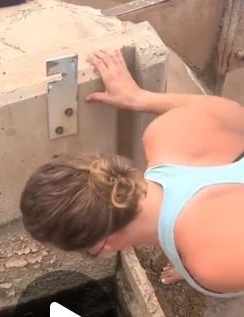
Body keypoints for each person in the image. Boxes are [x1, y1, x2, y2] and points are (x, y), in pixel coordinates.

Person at [20, 50, 244, 298]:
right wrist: (141, 98)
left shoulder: (212, 264)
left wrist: (201, 261)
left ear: (101, 248)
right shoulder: (166, 133)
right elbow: (233, 112)